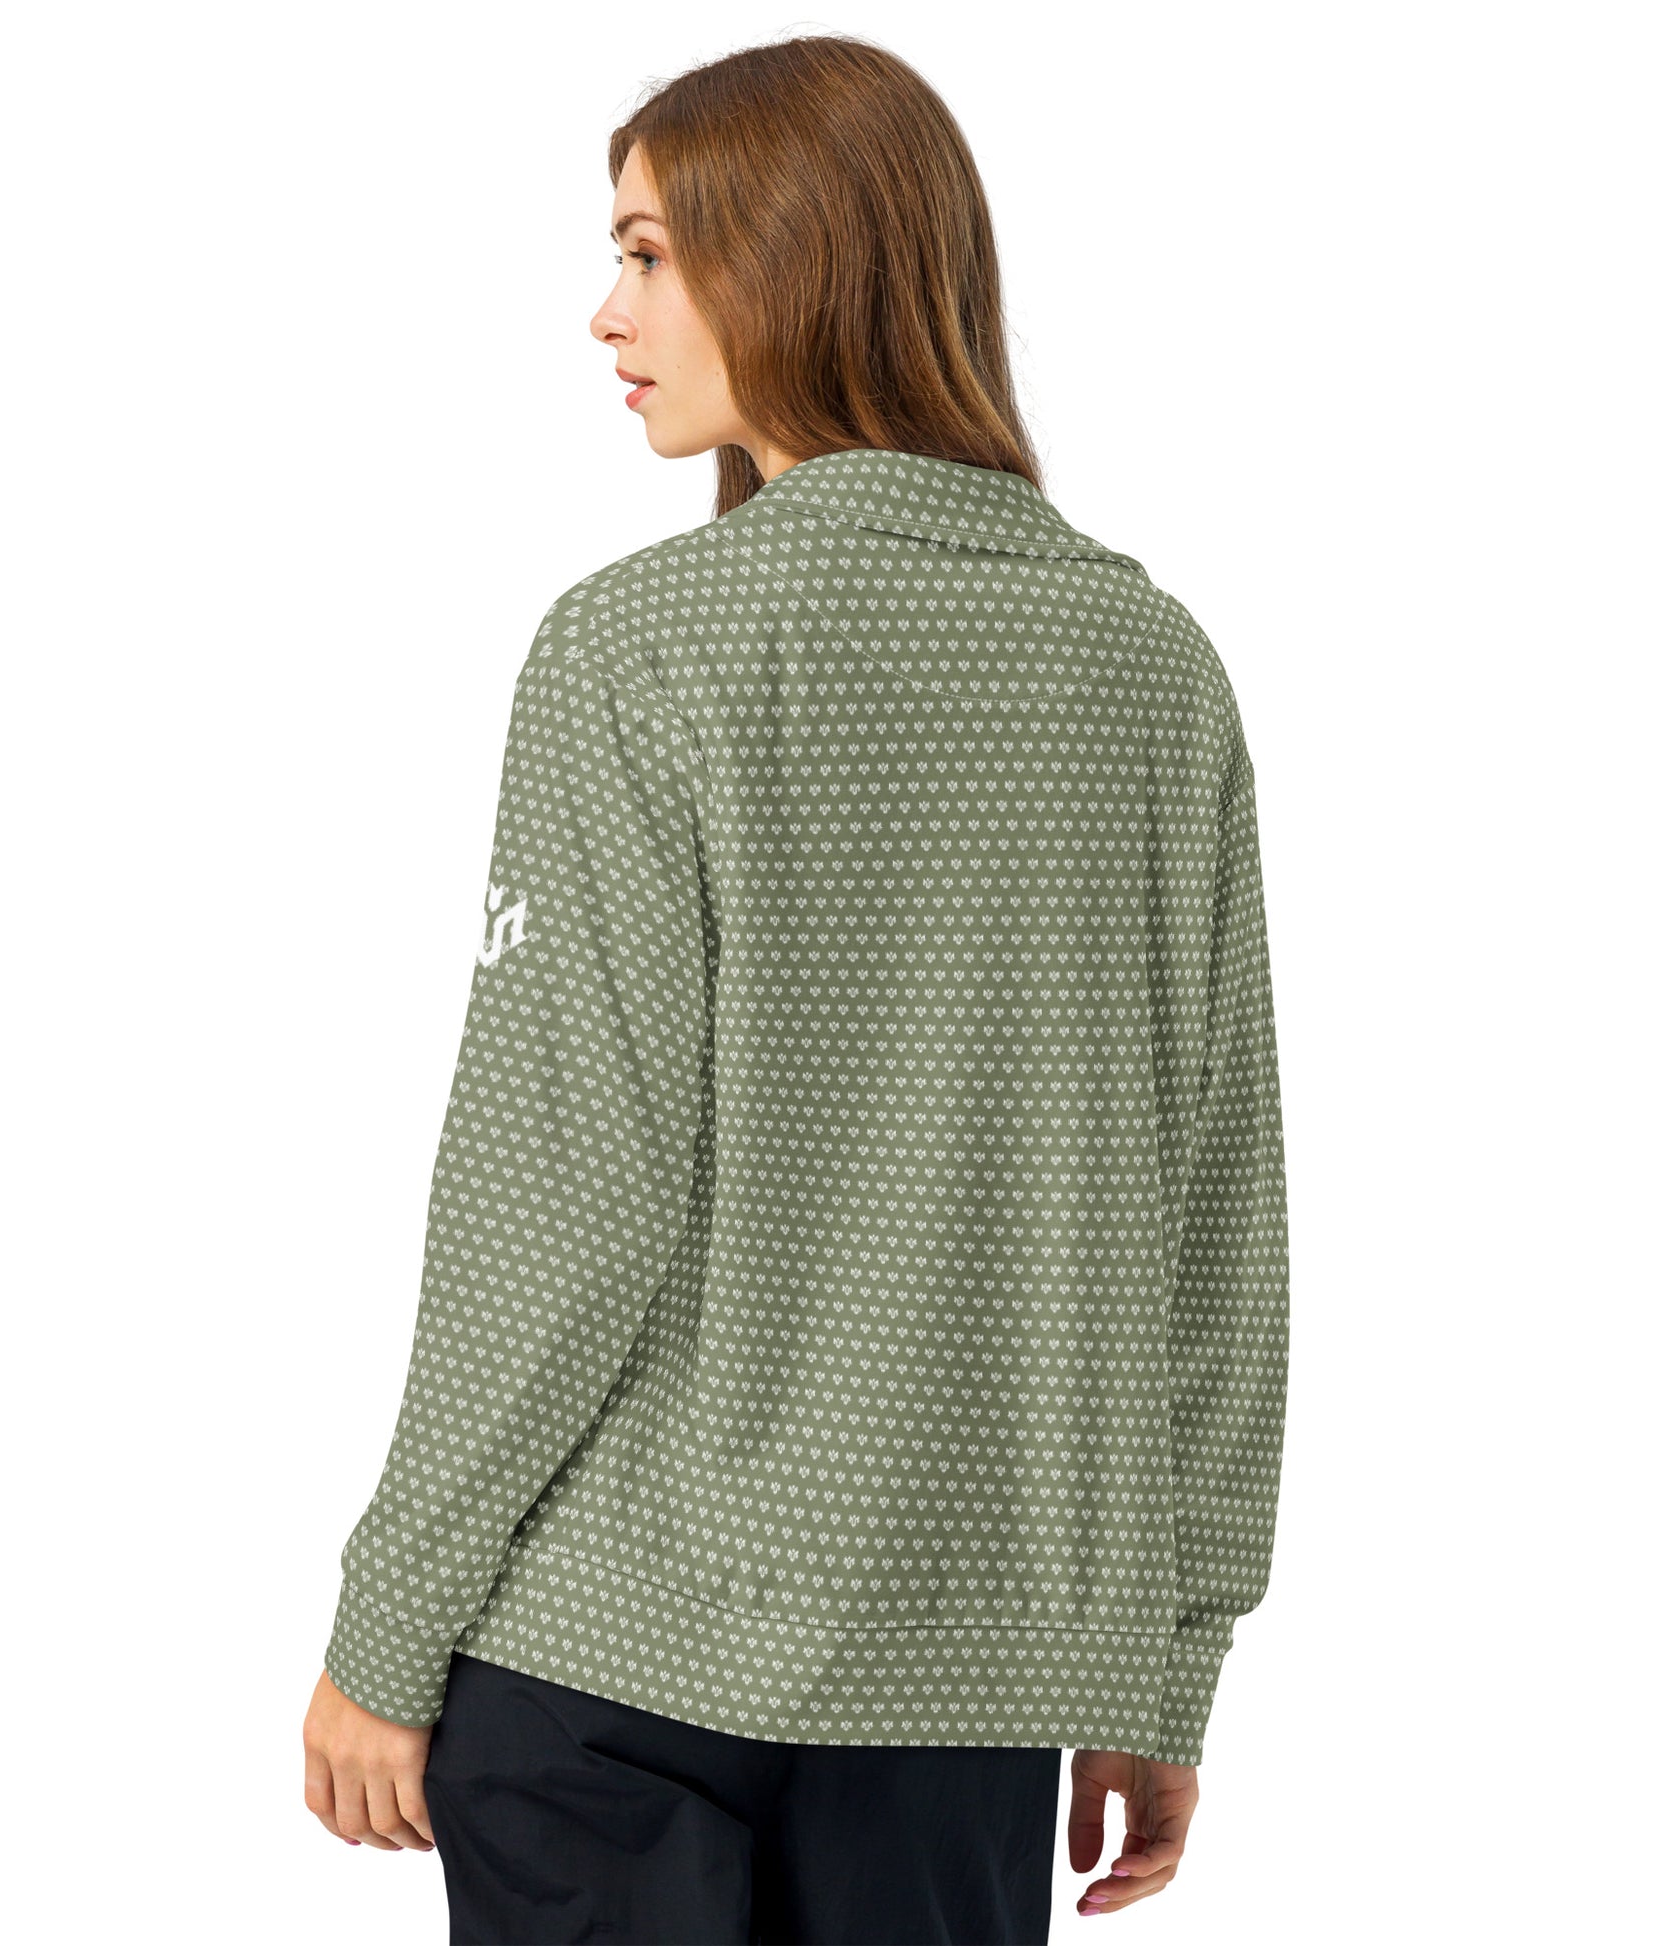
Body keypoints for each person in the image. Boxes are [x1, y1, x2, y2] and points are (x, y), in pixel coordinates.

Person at [301, 31, 1289, 1945]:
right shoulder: (1151, 668)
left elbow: (561, 1193)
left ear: (797, 261)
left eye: (648, 254)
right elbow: (1213, 1212)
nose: (604, 313)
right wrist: (1162, 1655)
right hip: (968, 1682)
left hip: (605, 1649)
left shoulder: (639, 648)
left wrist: (390, 1612)